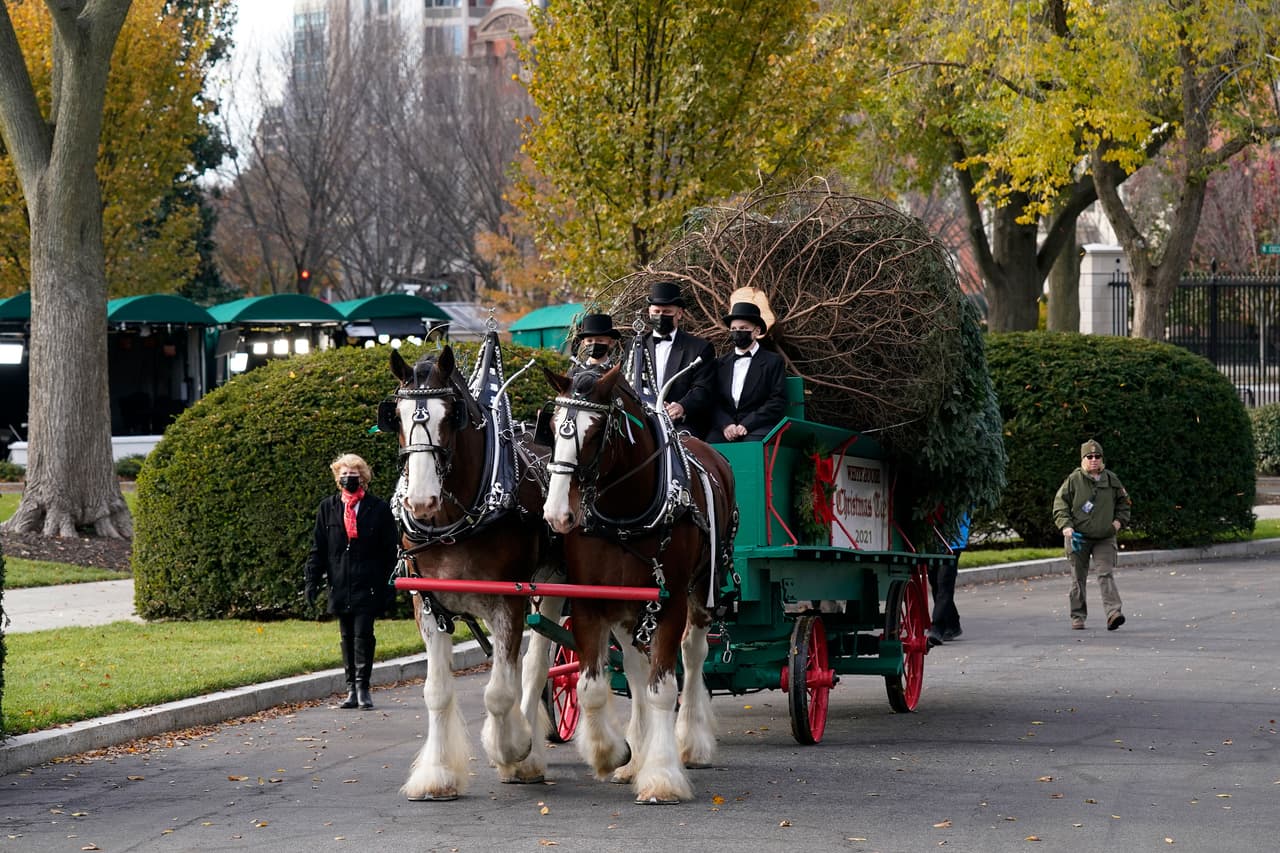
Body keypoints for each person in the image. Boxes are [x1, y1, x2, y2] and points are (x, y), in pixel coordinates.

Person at [305, 453, 399, 709]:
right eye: (344, 474)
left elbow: (390, 550)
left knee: (363, 635)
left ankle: (362, 687)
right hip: (340, 583)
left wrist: (390, 584)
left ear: (363, 478)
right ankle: (350, 690)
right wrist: (312, 580)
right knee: (346, 636)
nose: (349, 478)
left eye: (354, 474)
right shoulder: (328, 508)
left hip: (368, 583)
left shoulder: (378, 508)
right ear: (338, 477)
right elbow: (319, 548)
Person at [1052, 440, 1132, 631]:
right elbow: (1060, 505)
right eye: (1089, 456)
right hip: (1078, 538)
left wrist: (1118, 522)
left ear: (1102, 459)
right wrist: (1066, 526)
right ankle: (1077, 616)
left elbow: (1124, 503)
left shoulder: (1111, 479)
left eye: (1097, 456)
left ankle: (1114, 613)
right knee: (1078, 577)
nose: (1094, 460)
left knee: (1105, 574)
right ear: (1083, 459)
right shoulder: (1074, 480)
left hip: (1104, 537)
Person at [631, 280, 715, 436]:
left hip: (682, 424)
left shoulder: (700, 348)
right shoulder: (636, 346)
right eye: (656, 311)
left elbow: (703, 389)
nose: (661, 316)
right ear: (649, 312)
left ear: (679, 313)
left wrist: (682, 407)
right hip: (643, 422)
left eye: (667, 312)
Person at [707, 301, 787, 443]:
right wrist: (726, 424)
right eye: (734, 329)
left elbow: (776, 400)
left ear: (756, 331)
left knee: (752, 443)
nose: (738, 332)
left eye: (743, 328)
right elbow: (713, 400)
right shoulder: (720, 363)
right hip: (727, 427)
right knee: (708, 446)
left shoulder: (773, 361)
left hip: (758, 425)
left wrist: (747, 424)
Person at [926, 510, 970, 646]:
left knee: (944, 582)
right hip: (934, 538)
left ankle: (937, 627)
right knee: (935, 581)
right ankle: (952, 623)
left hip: (953, 540)